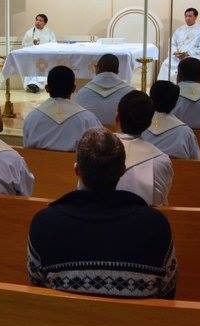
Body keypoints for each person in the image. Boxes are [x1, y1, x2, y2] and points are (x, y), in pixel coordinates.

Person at [27, 127, 178, 298]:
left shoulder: (43, 224)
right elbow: (168, 291)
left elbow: (36, 288)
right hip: (137, 316)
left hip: (64, 315)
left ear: (76, 170)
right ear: (122, 171)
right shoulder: (156, 226)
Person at [114, 90, 173, 206]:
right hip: (143, 217)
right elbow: (160, 203)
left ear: (117, 117)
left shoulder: (95, 151)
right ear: (149, 124)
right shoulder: (161, 161)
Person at [22, 65, 101, 151]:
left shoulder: (32, 118)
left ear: (47, 88)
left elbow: (27, 147)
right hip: (75, 160)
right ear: (73, 88)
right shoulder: (88, 119)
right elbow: (98, 147)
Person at [142, 80, 200, 159]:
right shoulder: (185, 132)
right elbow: (195, 160)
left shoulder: (140, 127)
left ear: (150, 98)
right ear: (175, 103)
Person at [73, 54, 132, 125]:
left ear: (97, 69)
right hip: (121, 131)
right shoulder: (130, 93)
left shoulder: (82, 93)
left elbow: (77, 120)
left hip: (91, 131)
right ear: (117, 71)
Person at [157, 7, 200, 82]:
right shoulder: (180, 30)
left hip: (191, 57)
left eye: (190, 16)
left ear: (195, 17)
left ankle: (180, 87)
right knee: (166, 63)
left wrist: (187, 54)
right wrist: (175, 52)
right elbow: (172, 43)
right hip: (177, 57)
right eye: (186, 16)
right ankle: (165, 86)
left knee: (184, 67)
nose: (187, 18)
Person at [21, 13, 58, 92]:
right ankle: (32, 84)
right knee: (32, 65)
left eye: (40, 20)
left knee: (42, 65)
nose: (38, 22)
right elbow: (24, 44)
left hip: (45, 56)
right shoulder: (29, 32)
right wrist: (32, 46)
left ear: (45, 23)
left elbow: (54, 44)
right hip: (32, 56)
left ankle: (35, 85)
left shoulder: (49, 32)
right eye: (37, 20)